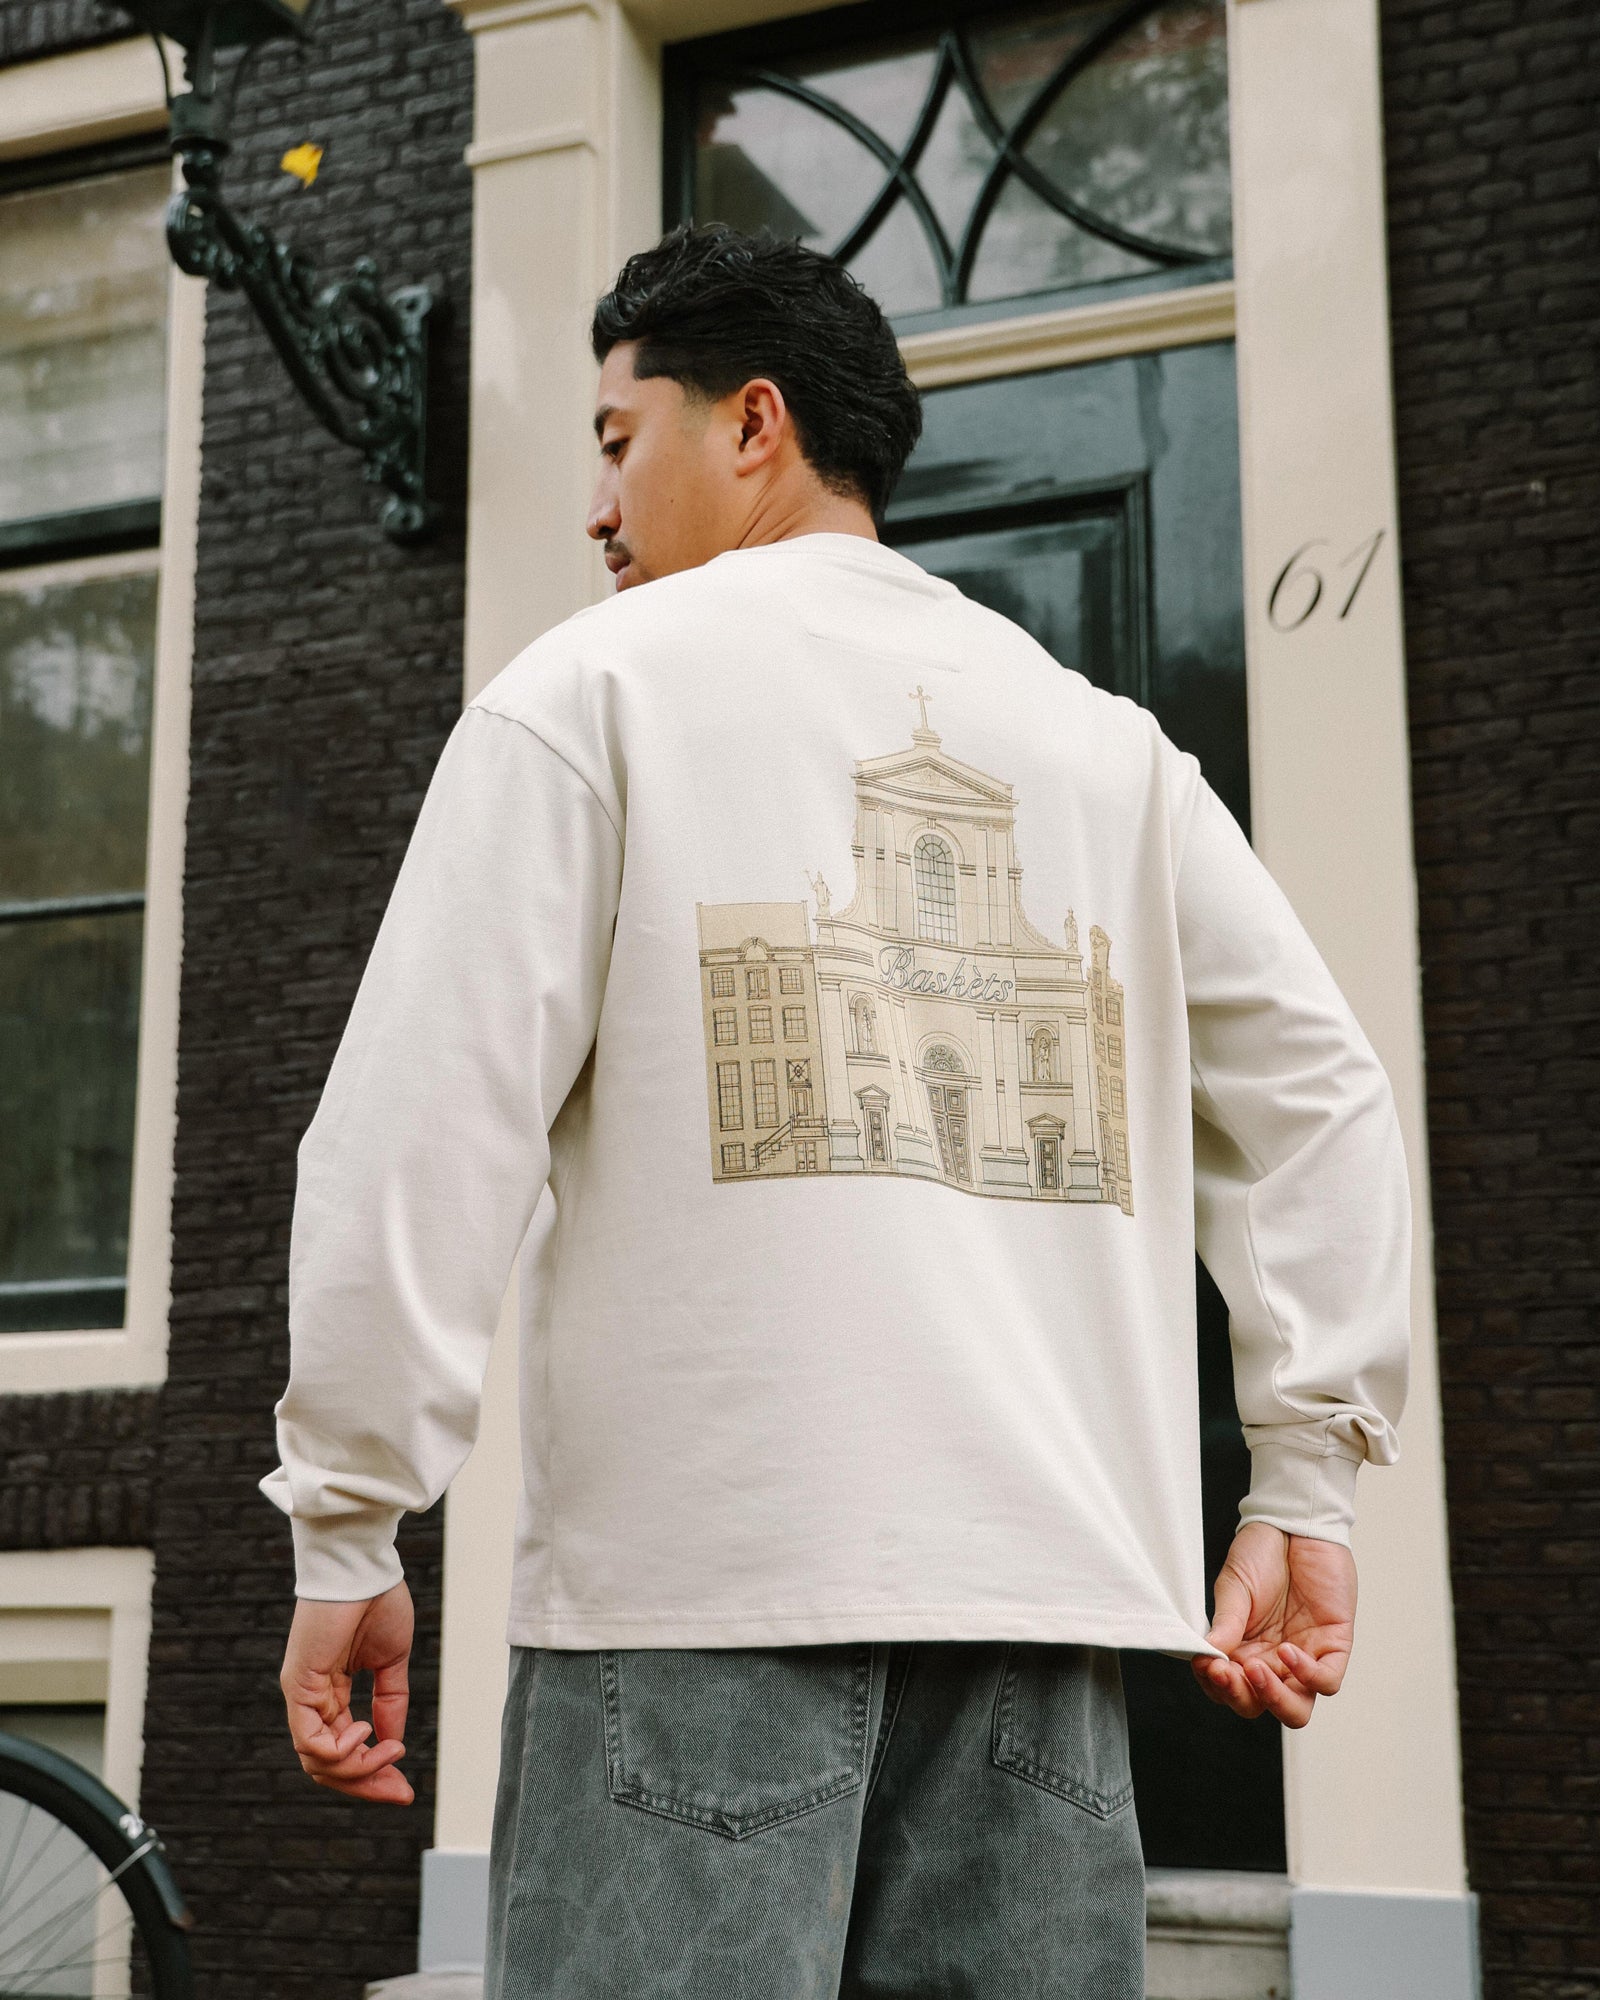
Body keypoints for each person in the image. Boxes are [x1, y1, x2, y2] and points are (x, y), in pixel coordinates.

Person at [265, 222, 1411, 1998]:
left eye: (615, 438)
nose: (595, 506)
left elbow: (418, 1133)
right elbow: (1323, 1099)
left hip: (699, 1605)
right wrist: (1307, 1485)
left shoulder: (594, 693)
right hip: (1044, 1630)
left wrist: (351, 1519)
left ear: (753, 423)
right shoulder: (1107, 750)